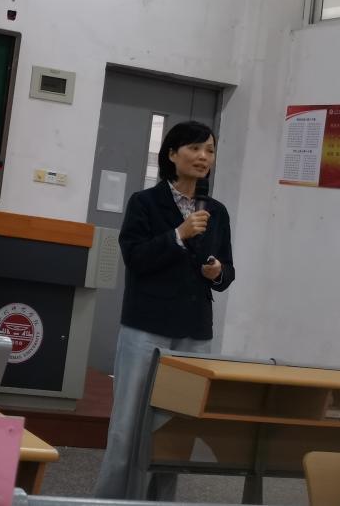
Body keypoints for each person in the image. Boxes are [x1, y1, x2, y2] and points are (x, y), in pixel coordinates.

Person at [93, 120, 235, 500]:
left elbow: (227, 270)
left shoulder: (217, 211)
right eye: (194, 148)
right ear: (172, 154)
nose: (203, 157)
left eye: (210, 150)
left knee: (175, 432)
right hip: (147, 328)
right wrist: (178, 235)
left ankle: (160, 502)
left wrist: (218, 272)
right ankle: (112, 500)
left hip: (193, 333)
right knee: (128, 426)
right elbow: (135, 258)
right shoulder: (144, 203)